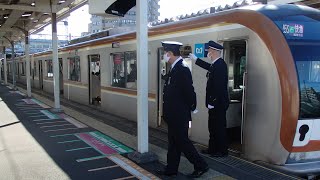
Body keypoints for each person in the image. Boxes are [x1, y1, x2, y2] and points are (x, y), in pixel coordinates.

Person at [157, 41, 209, 178]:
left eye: (165, 53)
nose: (164, 56)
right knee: (174, 143)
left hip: (179, 115)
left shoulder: (182, 68)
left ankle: (201, 165)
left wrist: (193, 107)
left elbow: (189, 91)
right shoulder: (175, 68)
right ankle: (171, 169)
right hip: (174, 114)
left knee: (183, 142)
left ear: (170, 53)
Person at [189, 40, 229, 157]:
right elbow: (209, 67)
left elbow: (219, 86)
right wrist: (196, 60)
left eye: (209, 51)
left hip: (218, 104)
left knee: (219, 128)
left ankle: (222, 151)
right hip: (214, 103)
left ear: (215, 52)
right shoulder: (216, 64)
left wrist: (213, 101)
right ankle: (212, 149)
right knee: (212, 127)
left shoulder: (220, 65)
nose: (208, 53)